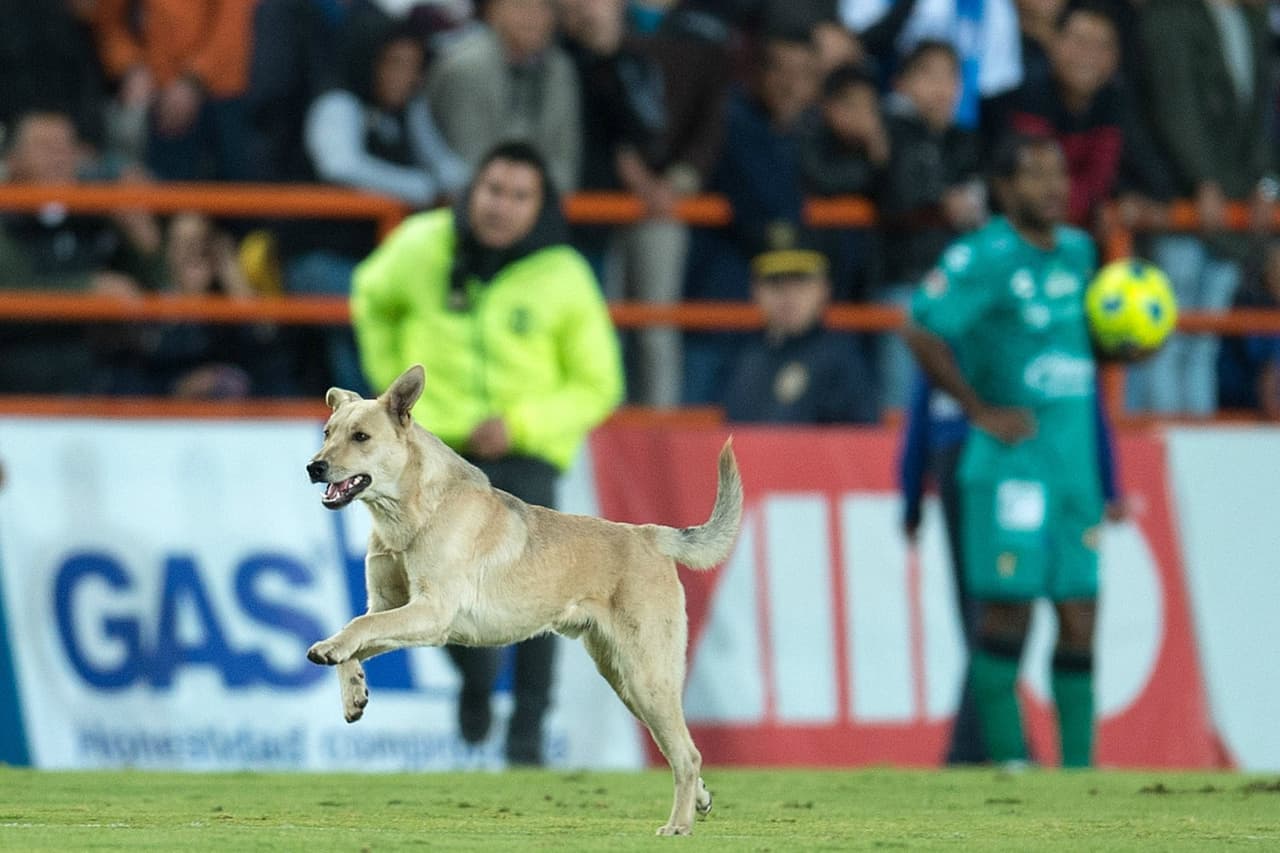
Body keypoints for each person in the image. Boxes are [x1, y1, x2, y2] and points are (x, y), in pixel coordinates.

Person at [350, 140, 625, 765]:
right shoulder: (422, 245)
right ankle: (474, 678)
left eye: (520, 195)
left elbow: (599, 383)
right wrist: (388, 407)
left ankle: (527, 734)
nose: (502, 206)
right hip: (433, 460)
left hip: (524, 456)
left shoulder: (563, 275)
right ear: (472, 190)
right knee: (415, 579)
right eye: (493, 189)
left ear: (540, 205)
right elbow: (369, 294)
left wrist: (523, 422)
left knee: (546, 597)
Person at [902, 132, 1113, 768]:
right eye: (1035, 173)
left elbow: (1088, 352)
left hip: (1074, 466)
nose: (1054, 186)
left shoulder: (1080, 253)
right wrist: (977, 409)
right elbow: (919, 327)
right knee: (1008, 618)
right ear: (1003, 189)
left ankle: (1081, 777)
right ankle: (1012, 767)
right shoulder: (985, 256)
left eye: (1059, 172)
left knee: (1080, 614)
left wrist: (1129, 348)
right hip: (1010, 466)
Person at [898, 366, 1125, 765]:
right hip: (1001, 454)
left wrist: (912, 488)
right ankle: (990, 751)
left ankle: (1000, 751)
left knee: (1018, 610)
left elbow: (1080, 387)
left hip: (1022, 451)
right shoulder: (1031, 314)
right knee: (998, 611)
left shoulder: (975, 313)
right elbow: (928, 367)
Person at [288, 9, 470, 395]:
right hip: (319, 255)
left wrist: (480, 184)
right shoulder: (338, 102)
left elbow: (445, 167)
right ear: (368, 61)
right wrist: (417, 187)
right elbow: (340, 164)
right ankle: (363, 415)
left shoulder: (408, 109)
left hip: (378, 259)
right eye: (394, 63)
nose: (403, 76)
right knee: (368, 315)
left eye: (413, 66)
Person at [1126, 0, 1274, 416]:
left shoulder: (1251, 20)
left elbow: (1261, 115)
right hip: (1180, 204)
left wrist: (1265, 182)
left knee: (1204, 343)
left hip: (1234, 210)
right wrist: (1200, 179)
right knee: (1163, 336)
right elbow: (1175, 107)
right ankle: (1164, 446)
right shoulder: (1171, 16)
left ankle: (1194, 451)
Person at [0, 111, 163, 394]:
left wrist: (143, 240)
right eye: (45, 147)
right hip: (18, 386)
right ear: (13, 160)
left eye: (67, 147)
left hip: (102, 385)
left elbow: (157, 293)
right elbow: (12, 289)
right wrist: (88, 290)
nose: (59, 157)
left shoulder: (97, 216)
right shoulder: (6, 222)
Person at [876, 40, 984, 409]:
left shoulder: (966, 140)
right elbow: (897, 190)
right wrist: (940, 197)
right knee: (900, 404)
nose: (941, 88)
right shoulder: (889, 129)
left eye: (951, 77)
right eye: (928, 75)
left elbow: (981, 201)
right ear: (903, 84)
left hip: (958, 291)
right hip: (903, 282)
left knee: (957, 401)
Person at [98, 212, 294, 398]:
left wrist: (231, 273)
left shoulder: (231, 307)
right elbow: (136, 377)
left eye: (200, 243)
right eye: (182, 244)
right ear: (168, 252)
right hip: (167, 417)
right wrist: (181, 388)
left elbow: (266, 343)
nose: (192, 252)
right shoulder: (152, 307)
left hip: (237, 419)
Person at [722, 222, 879, 423]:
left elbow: (860, 442)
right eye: (775, 281)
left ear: (824, 287)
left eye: (800, 279)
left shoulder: (841, 360)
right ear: (755, 289)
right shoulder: (744, 356)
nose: (788, 294)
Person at [89, 0, 258, 181]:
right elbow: (109, 24)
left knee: (235, 189)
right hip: (154, 100)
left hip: (223, 96)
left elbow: (233, 24)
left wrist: (193, 80)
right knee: (160, 189)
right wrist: (131, 65)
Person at [427, 0, 582, 195]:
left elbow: (565, 162)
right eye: (521, 6)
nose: (532, 17)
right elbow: (468, 163)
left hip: (539, 206)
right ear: (492, 11)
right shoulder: (466, 67)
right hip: (472, 205)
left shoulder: (561, 69)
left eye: (544, 7)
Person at [1009, 2, 1123, 231]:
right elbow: (1034, 183)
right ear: (1054, 42)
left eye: (1102, 46)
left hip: (1079, 230)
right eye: (1080, 42)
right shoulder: (1027, 92)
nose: (1089, 56)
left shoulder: (1114, 100)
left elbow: (1100, 179)